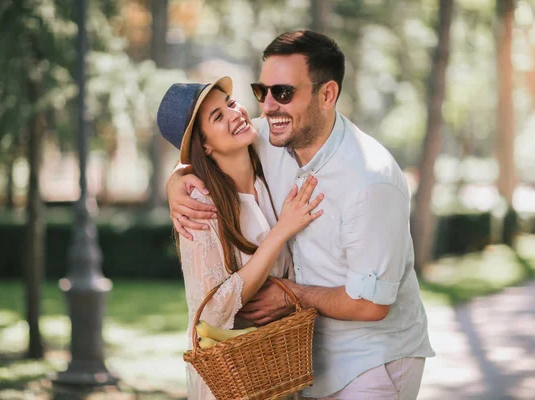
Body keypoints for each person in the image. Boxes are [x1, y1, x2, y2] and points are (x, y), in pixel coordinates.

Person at [167, 30, 435, 399]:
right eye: (263, 91)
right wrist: (178, 181)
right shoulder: (276, 137)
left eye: (284, 93)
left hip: (371, 363)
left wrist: (289, 294)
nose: (267, 107)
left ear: (327, 95)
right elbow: (206, 148)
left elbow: (372, 305)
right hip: (300, 367)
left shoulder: (370, 182)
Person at [156, 76, 324, 400]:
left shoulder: (268, 173)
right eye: (218, 116)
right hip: (231, 384)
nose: (235, 114)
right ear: (204, 145)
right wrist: (280, 232)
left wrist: (175, 177)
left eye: (230, 103)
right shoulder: (201, 207)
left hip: (279, 371)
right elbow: (211, 314)